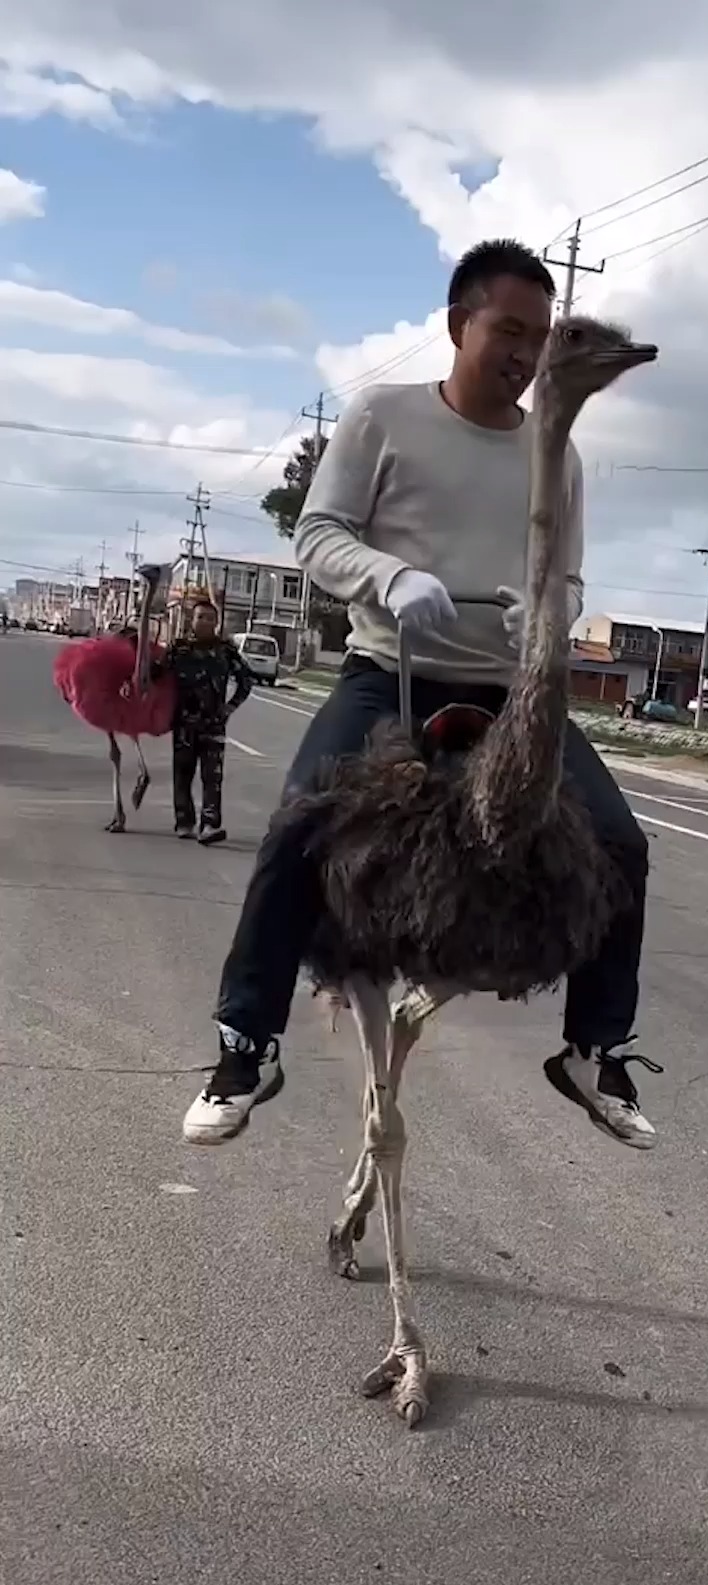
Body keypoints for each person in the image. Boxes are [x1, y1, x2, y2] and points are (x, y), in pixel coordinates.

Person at [182, 237, 659, 1150]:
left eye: (538, 338)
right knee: (298, 823)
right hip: (390, 670)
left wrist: (547, 618)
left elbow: (571, 579)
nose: (523, 354)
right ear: (458, 324)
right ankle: (248, 1042)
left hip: (511, 690)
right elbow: (318, 534)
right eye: (508, 331)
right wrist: (386, 578)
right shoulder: (384, 419)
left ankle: (598, 1048)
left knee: (620, 843)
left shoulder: (557, 453)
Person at [162, 598, 253, 844]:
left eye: (210, 618)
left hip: (214, 724)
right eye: (200, 616)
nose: (205, 622)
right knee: (183, 774)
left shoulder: (225, 651)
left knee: (213, 776)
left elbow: (246, 681)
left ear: (216, 622)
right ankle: (184, 822)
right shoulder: (178, 649)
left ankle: (210, 825)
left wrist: (230, 707)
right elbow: (156, 675)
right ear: (192, 620)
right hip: (184, 724)